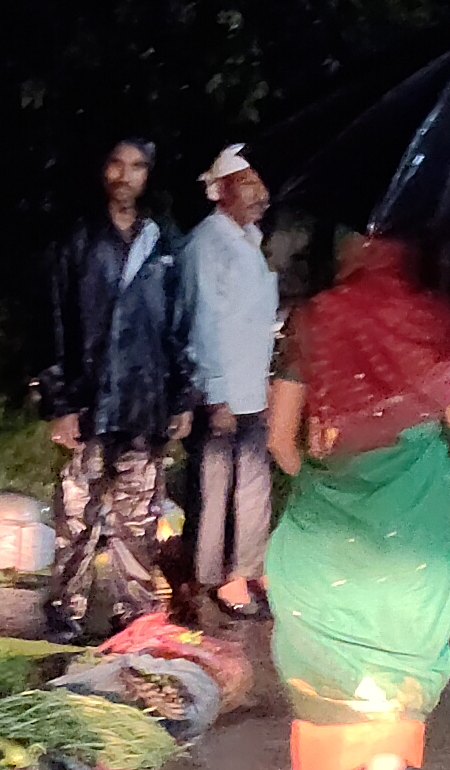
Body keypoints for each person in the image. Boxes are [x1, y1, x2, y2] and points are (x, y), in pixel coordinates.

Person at [266, 234, 450, 770]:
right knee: (403, 672)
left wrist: (327, 487)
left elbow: (281, 442)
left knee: (326, 676)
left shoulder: (313, 318)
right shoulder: (438, 321)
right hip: (412, 530)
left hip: (323, 530)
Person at [35, 135, 196, 637]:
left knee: (138, 517)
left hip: (145, 401)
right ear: (103, 169)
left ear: (149, 175)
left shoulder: (164, 240)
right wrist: (60, 402)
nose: (125, 175)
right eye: (117, 164)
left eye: (137, 166)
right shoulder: (77, 239)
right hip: (89, 399)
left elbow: (178, 324)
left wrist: (182, 397)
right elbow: (54, 322)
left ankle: (136, 616)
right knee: (77, 514)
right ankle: (64, 609)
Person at [182, 144, 281, 617]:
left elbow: (251, 318)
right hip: (220, 388)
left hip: (251, 385)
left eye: (261, 184)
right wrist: (216, 391)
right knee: (215, 487)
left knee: (254, 484)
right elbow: (202, 321)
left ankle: (249, 567)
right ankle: (216, 580)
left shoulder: (251, 240)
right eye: (247, 184)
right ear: (221, 190)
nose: (260, 194)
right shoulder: (207, 244)